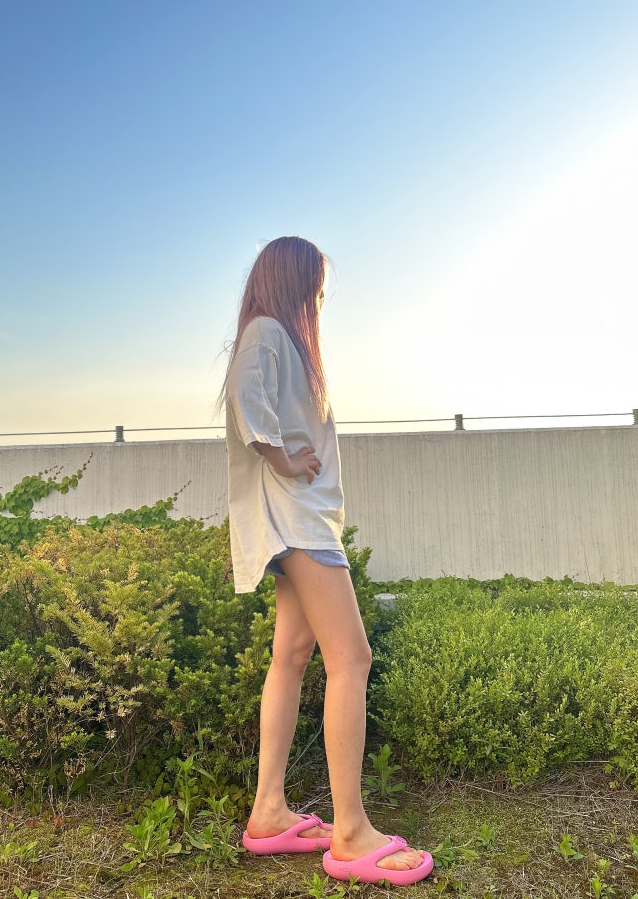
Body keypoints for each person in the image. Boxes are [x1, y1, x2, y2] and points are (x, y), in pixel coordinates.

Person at [221, 236, 433, 886]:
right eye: (314, 286)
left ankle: (267, 811)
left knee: (291, 656)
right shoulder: (267, 332)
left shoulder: (276, 337)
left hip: (296, 521)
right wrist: (282, 457)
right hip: (299, 521)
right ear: (291, 280)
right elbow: (243, 396)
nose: (318, 298)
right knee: (352, 658)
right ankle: (350, 832)